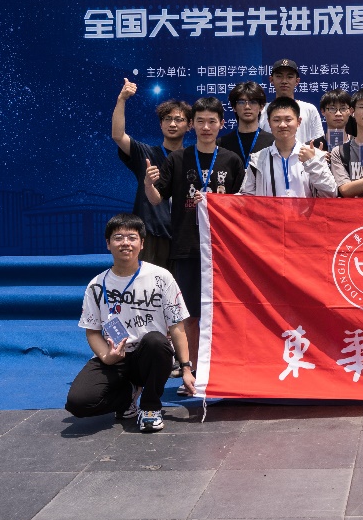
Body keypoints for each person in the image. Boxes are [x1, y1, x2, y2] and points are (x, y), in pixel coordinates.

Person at [65, 214, 195, 432]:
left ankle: (150, 408)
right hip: (116, 356)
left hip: (150, 355)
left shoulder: (161, 277)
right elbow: (92, 331)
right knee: (78, 403)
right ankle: (129, 395)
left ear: (142, 243)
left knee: (156, 341)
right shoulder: (96, 285)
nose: (125, 243)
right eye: (118, 238)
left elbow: (177, 327)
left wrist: (186, 368)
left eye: (132, 238)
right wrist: (107, 356)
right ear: (108, 244)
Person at [144, 96, 245, 375]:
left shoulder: (232, 160)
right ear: (192, 125)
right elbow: (156, 199)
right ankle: (194, 371)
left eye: (212, 121)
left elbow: (244, 203)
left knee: (224, 311)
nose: (206, 127)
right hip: (187, 247)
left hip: (222, 250)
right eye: (200, 121)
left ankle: (223, 368)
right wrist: (149, 184)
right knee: (190, 314)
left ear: (222, 124)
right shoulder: (178, 159)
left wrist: (218, 201)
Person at [111, 79, 190, 267]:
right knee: (147, 284)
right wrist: (122, 99)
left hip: (184, 236)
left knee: (180, 284)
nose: (172, 124)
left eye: (179, 119)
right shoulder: (145, 153)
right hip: (151, 235)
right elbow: (118, 136)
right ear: (161, 124)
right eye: (167, 119)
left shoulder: (193, 159)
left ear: (189, 125)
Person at [240, 97, 339, 197]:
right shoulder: (258, 159)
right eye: (276, 120)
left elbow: (330, 193)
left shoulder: (315, 155)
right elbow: (246, 197)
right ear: (269, 123)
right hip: (268, 208)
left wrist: (312, 163)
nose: (282, 125)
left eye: (288, 120)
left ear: (298, 122)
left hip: (305, 208)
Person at [269, 59, 323, 145]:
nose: (284, 81)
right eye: (279, 76)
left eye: (289, 77)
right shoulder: (263, 110)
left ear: (297, 81)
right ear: (271, 80)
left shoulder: (309, 109)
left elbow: (318, 140)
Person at [218, 81, 274, 162]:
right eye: (241, 102)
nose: (247, 107)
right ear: (234, 107)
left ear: (261, 107)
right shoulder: (222, 143)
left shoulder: (273, 142)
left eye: (253, 102)